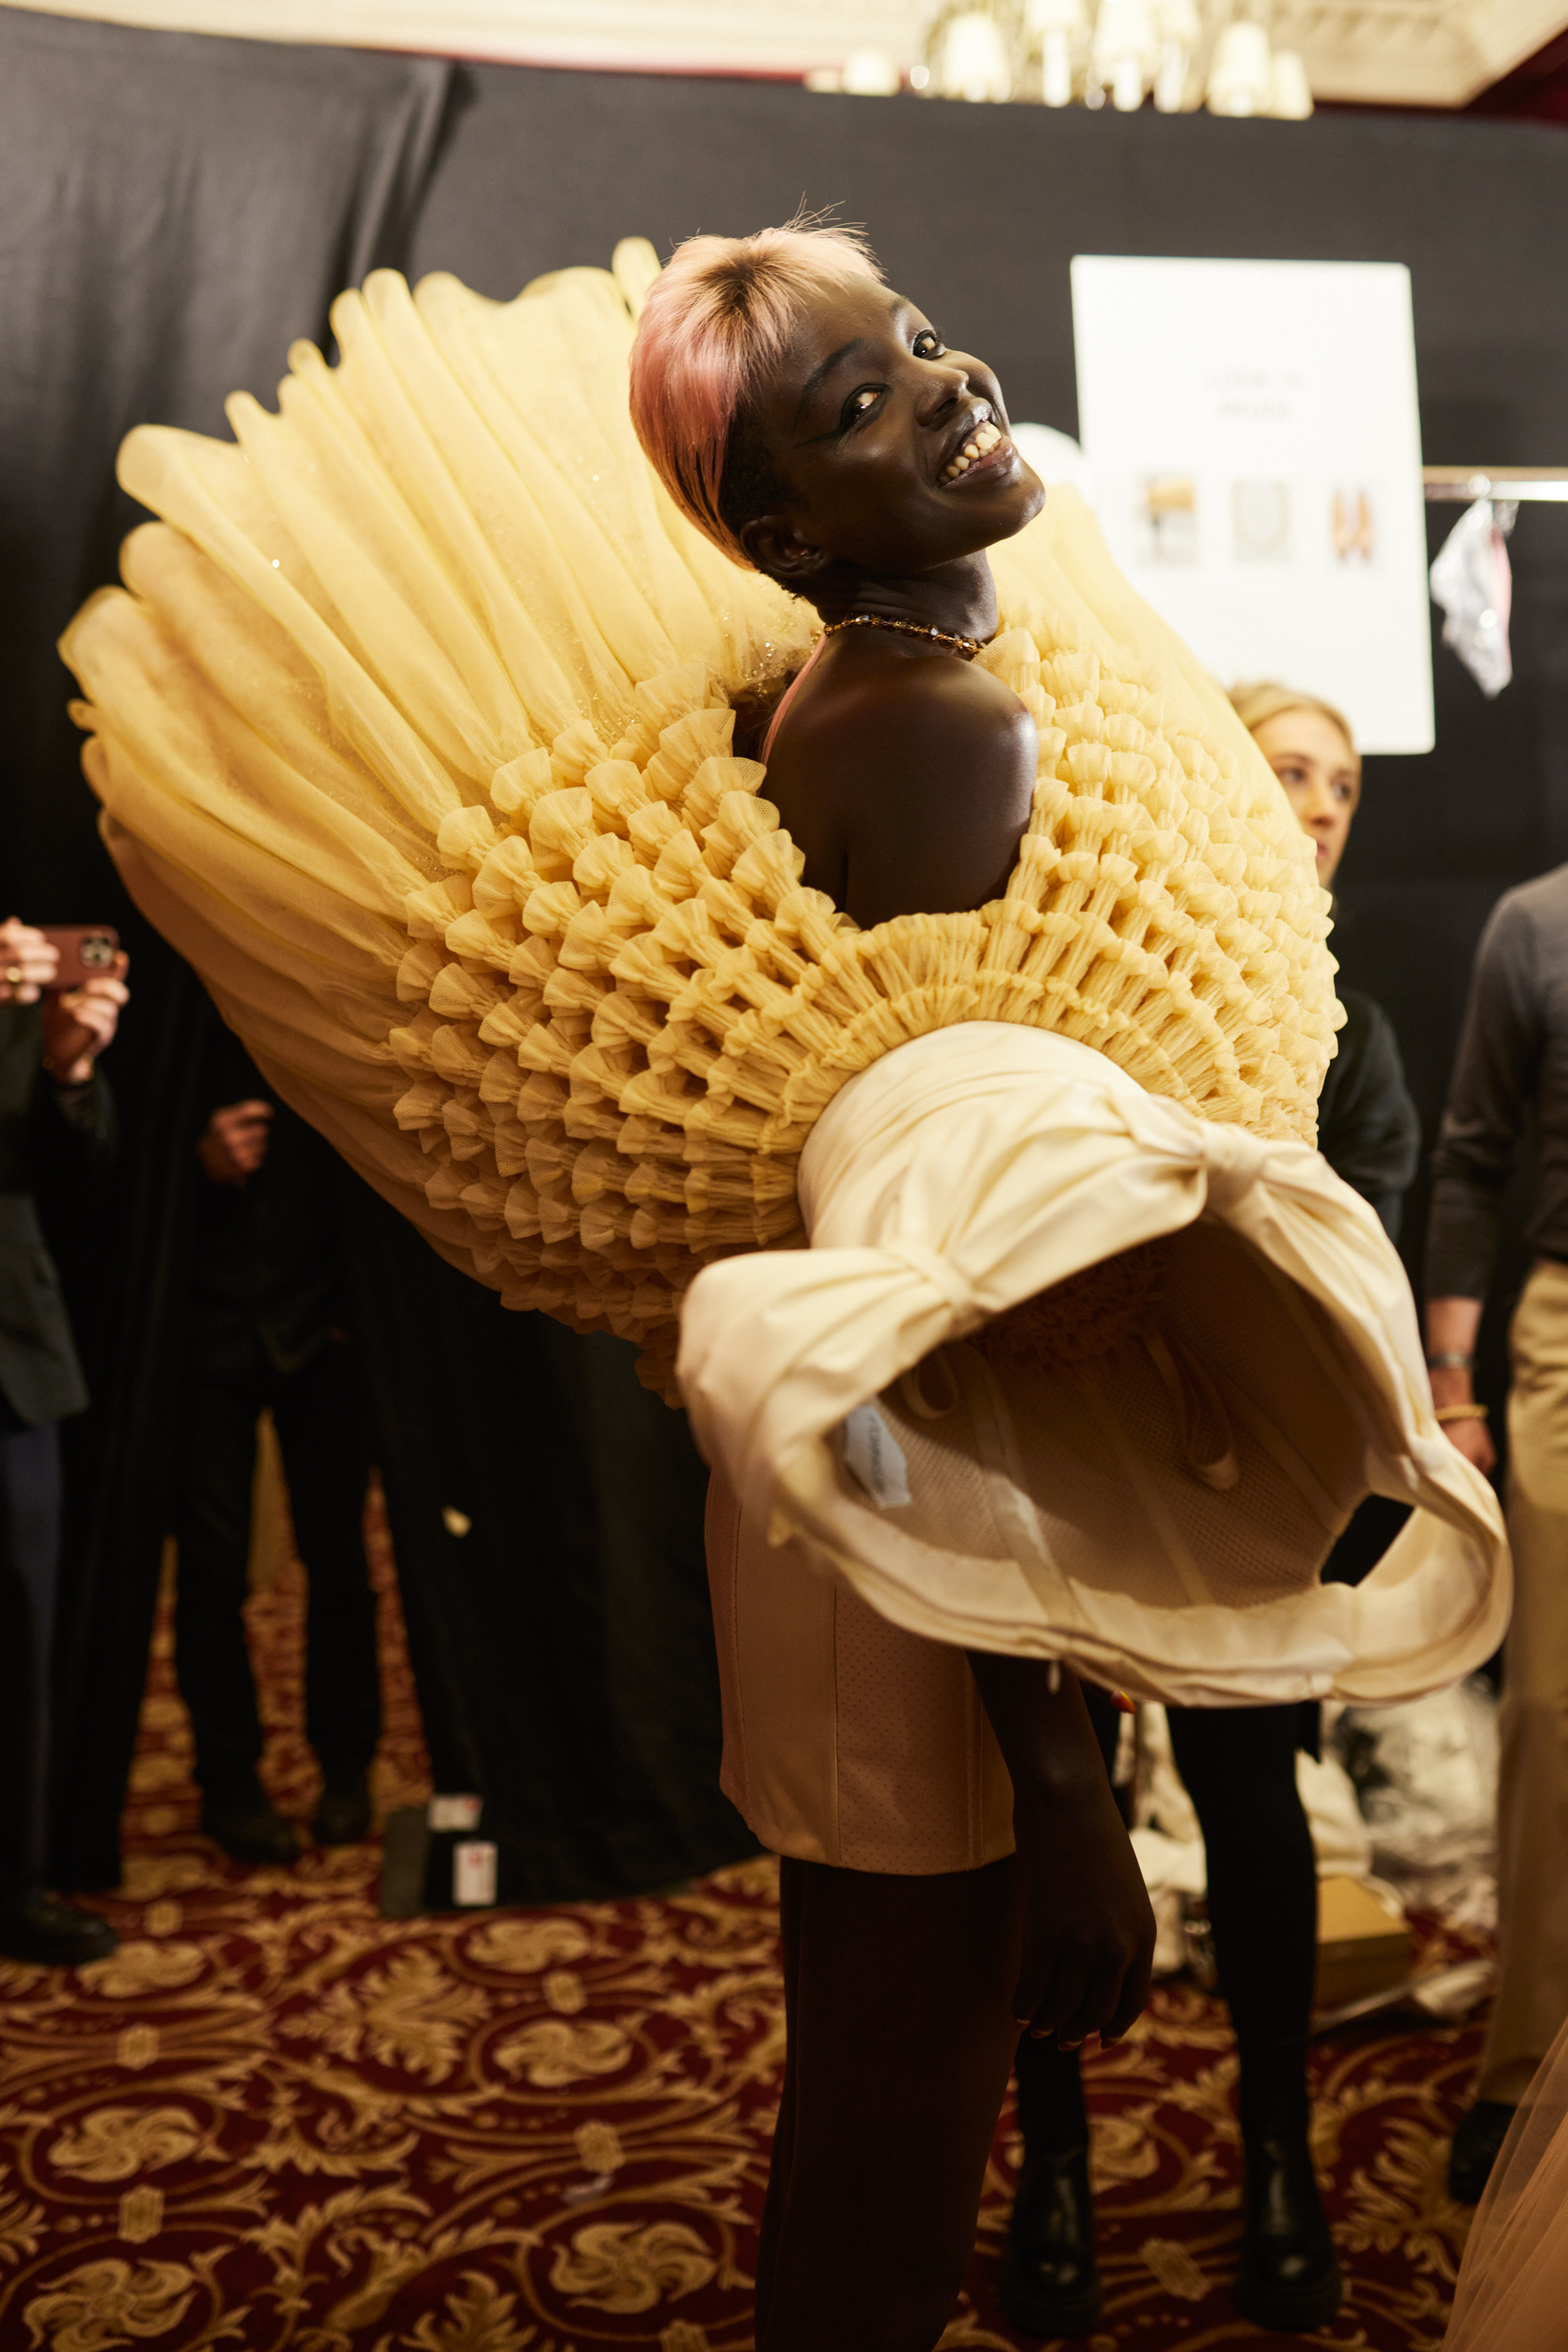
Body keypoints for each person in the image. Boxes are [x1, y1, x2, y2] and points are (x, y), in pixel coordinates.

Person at [61, 224, 1509, 2352]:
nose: (938, 386)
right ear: (776, 527)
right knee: (900, 2098)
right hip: (921, 1523)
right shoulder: (934, 746)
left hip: (904, 1503)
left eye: (917, 339)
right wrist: (1048, 1762)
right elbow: (942, 1300)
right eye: (857, 405)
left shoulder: (883, 693)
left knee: (883, 2067)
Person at [1005, 684, 1420, 2338]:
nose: (1313, 805)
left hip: (1258, 1456)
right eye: (1283, 772)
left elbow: (1362, 1255)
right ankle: (1047, 2163)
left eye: (1336, 785)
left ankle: (1275, 2158)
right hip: (1063, 1441)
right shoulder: (1095, 988)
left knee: (1255, 1804)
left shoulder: (1358, 1031)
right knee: (1054, 1806)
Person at [1426, 864, 1568, 2201]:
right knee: (1547, 1709)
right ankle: (1522, 2064)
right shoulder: (1532, 922)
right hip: (1562, 1337)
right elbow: (1470, 1153)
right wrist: (1451, 1386)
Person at [174, 999, 381, 1866]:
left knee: (338, 1560)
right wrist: (197, 1161)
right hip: (202, 1328)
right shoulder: (176, 1010)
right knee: (212, 1571)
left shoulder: (320, 990)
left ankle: (346, 1765)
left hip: (320, 1325)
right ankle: (228, 1779)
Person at [0, 915, 128, 1964]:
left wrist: (65, 1067)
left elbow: (73, 1166)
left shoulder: (16, 969)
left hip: (15, 1361)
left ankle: (16, 1884)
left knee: (19, 1645)